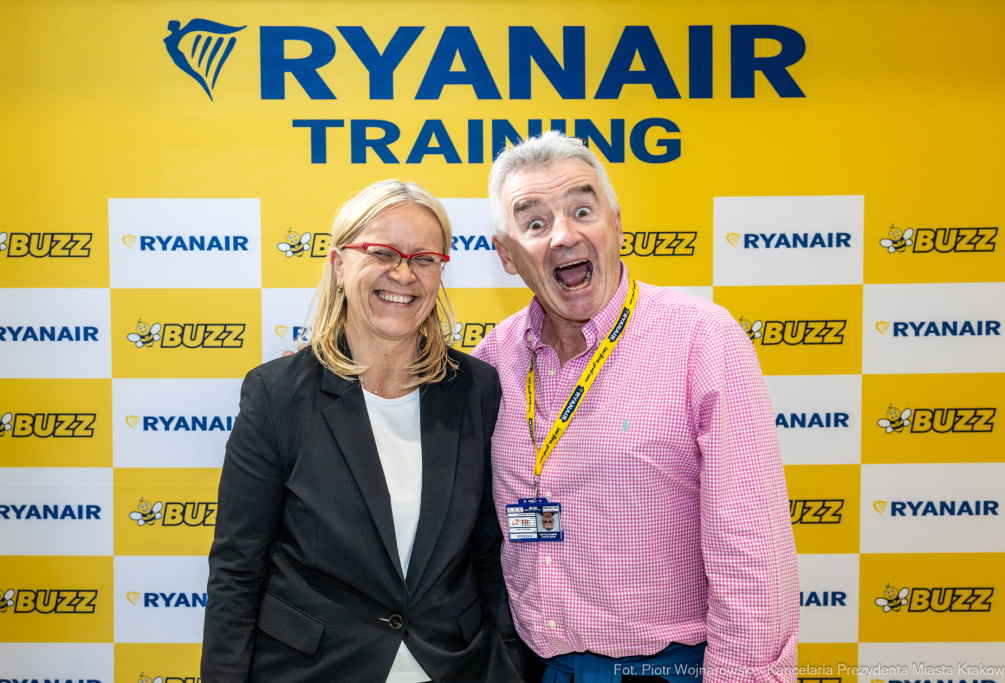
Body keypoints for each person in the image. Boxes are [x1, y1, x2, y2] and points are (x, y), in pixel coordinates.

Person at [473, 132, 799, 683]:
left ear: (617, 225)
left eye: (582, 210)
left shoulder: (701, 339)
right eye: (535, 223)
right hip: (530, 666)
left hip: (669, 669)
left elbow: (751, 548)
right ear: (507, 254)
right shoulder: (493, 358)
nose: (563, 236)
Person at [201, 180, 525, 683]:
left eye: (424, 259)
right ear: (339, 263)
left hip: (457, 667)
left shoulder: (477, 389)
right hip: (315, 670)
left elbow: (491, 553)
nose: (404, 274)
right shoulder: (277, 395)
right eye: (383, 252)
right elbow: (237, 569)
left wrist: (512, 665)